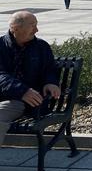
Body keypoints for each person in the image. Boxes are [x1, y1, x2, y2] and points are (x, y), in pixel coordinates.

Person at [0, 11, 61, 146]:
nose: (37, 30)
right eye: (32, 25)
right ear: (15, 28)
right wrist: (22, 90)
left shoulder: (41, 47)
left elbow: (50, 69)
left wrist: (51, 82)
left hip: (24, 102)